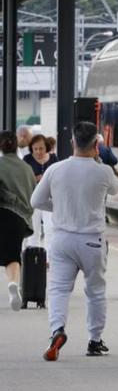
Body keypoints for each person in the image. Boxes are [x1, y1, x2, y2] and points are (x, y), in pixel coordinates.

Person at [31, 122, 118, 361]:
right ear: (96, 145)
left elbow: (36, 201)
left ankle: (57, 331)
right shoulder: (102, 171)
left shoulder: (55, 169)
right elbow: (116, 188)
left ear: (72, 142)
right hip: (92, 241)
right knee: (95, 292)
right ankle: (95, 340)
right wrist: (100, 161)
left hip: (62, 239)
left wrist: (59, 208)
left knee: (59, 289)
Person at [0, 130, 36, 311]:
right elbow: (33, 194)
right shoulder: (26, 168)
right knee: (12, 256)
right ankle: (13, 282)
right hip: (18, 218)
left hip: (2, 212)